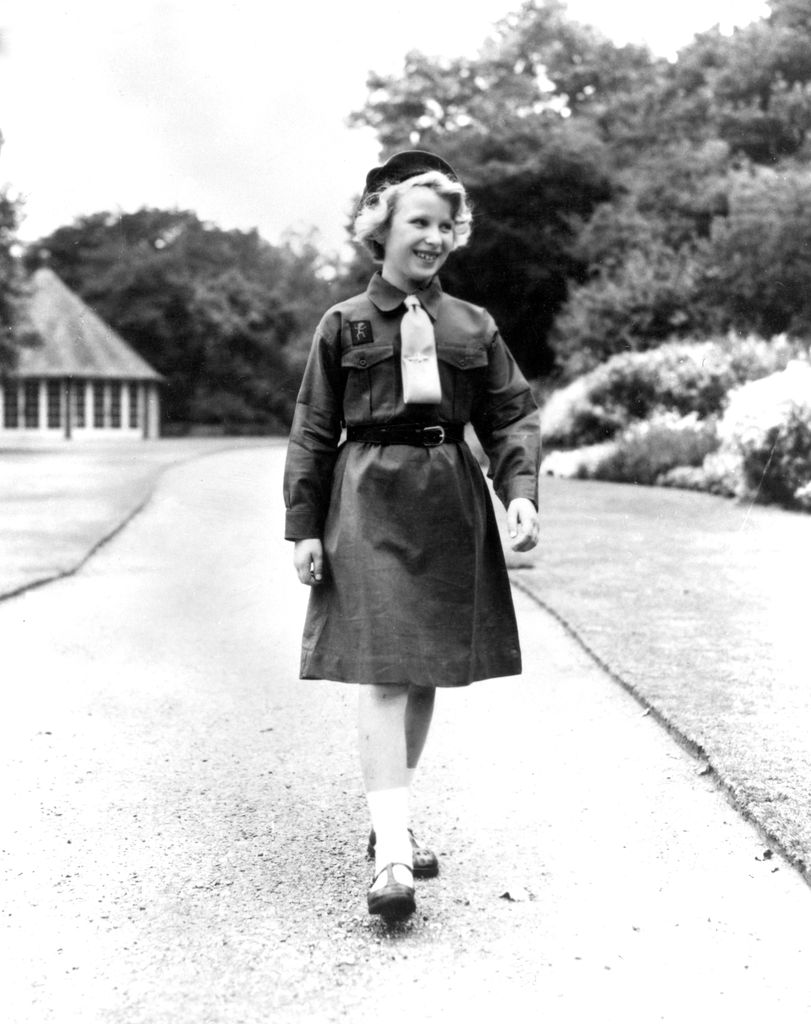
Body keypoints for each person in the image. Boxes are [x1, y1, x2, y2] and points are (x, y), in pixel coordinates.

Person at [283, 150, 540, 920]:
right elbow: (311, 427)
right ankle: (392, 857)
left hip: (448, 502)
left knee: (424, 670)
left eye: (445, 224)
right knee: (386, 671)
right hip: (365, 499)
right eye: (417, 222)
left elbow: (510, 412)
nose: (433, 236)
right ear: (380, 228)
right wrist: (303, 524)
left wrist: (518, 488)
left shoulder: (473, 325)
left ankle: (386, 818)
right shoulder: (344, 324)